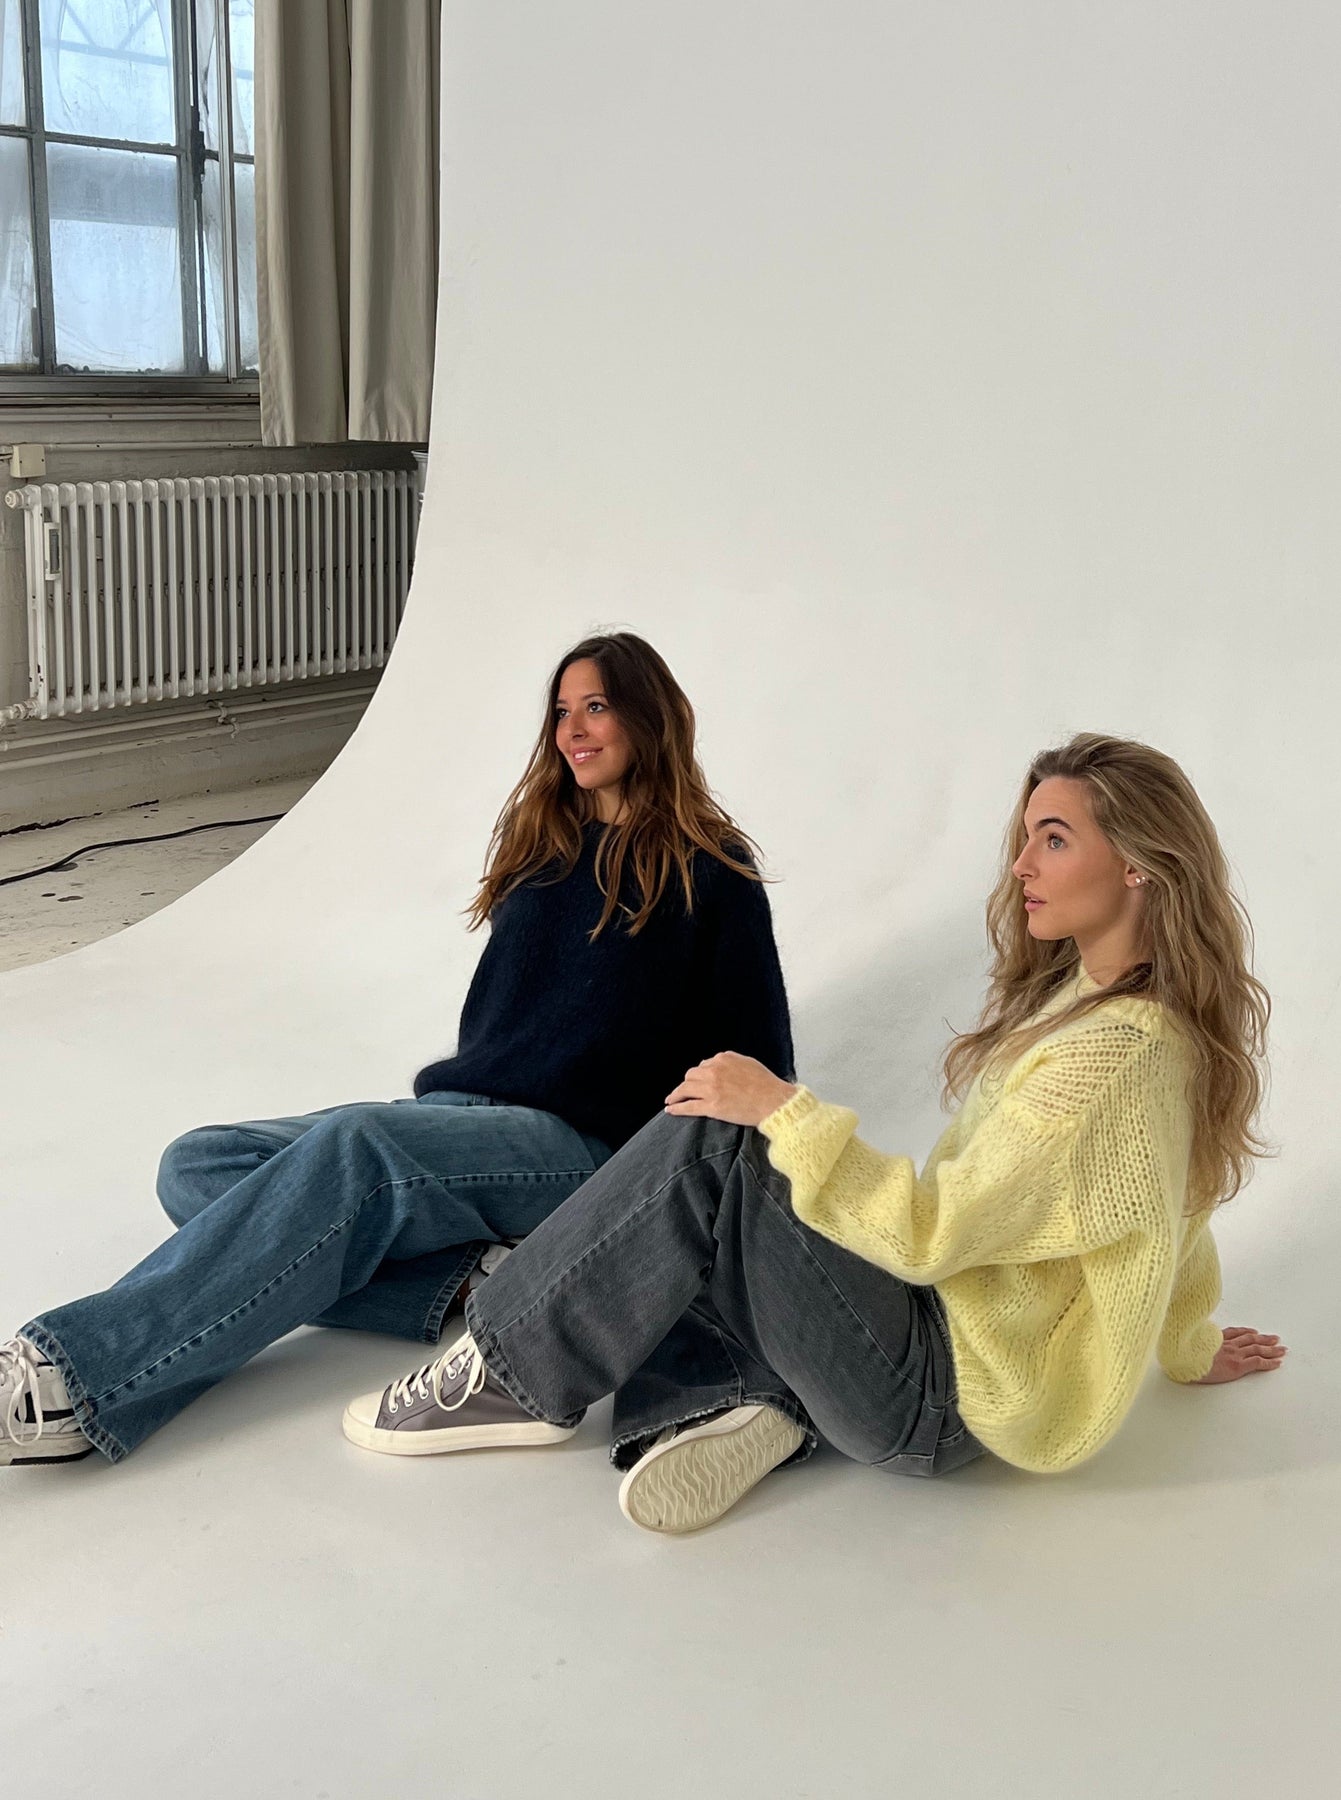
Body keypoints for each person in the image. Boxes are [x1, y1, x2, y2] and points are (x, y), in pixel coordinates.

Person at [342, 733, 1286, 1535]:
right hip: (935, 1341)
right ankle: (744, 1397)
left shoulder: (1113, 1057)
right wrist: (1189, 1344)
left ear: (1137, 864)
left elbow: (929, 1234)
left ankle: (506, 1369)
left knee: (721, 1148)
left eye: (1054, 839)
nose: (1021, 866)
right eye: (1026, 837)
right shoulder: (1113, 1007)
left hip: (940, 1397)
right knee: (705, 1221)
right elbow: (1168, 1209)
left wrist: (782, 1111)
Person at [0, 633, 793, 1466]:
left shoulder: (710, 869)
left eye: (595, 706)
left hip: (583, 1150)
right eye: (561, 711)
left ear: (648, 715)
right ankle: (474, 1282)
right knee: (197, 1166)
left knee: (358, 1151)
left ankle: (75, 1381)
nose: (572, 730)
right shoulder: (545, 846)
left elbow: (762, 1065)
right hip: (464, 1119)